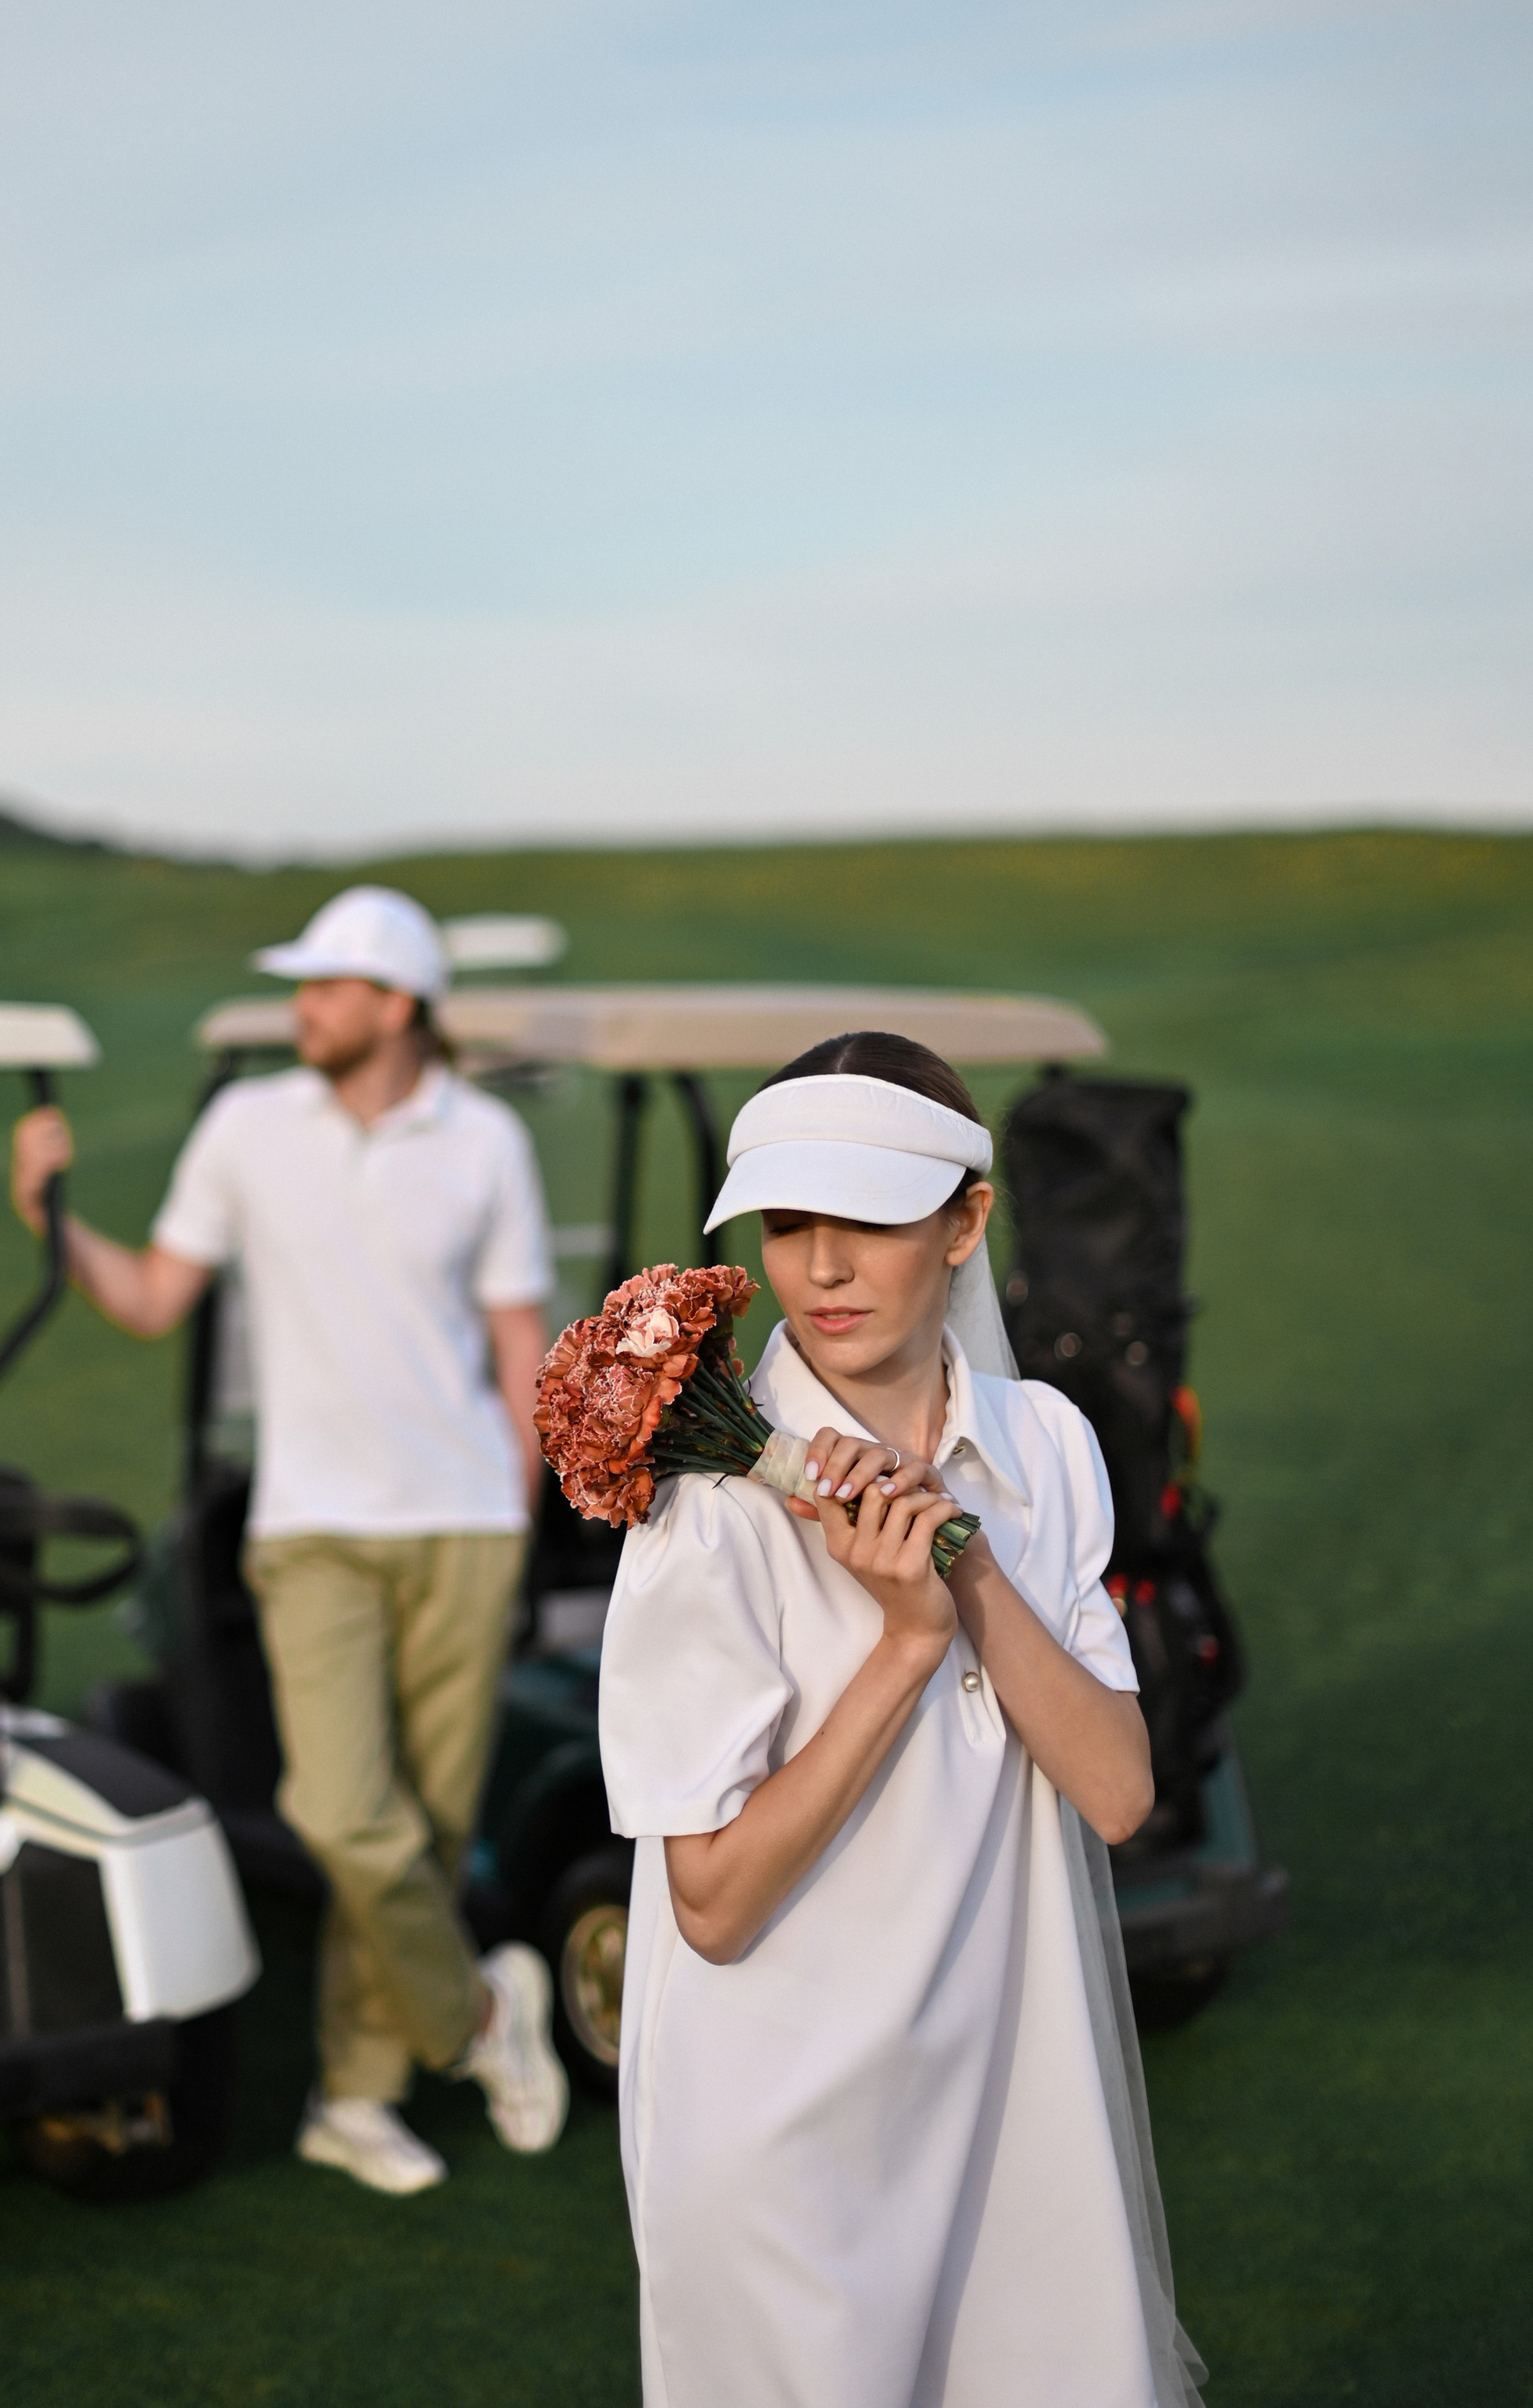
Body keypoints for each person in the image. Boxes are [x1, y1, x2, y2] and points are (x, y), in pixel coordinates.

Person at [597, 1029, 1203, 2408]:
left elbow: (1118, 1793)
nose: (820, 1268)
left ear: (964, 1224)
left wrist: (963, 1567)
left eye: (866, 1219)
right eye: (787, 1223)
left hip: (1013, 2109)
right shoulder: (705, 1513)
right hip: (784, 2154)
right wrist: (908, 1646)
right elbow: (713, 1907)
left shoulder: (1046, 1446)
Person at [9, 883, 569, 2196]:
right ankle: (479, 2014)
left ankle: (353, 2099)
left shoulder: (486, 1140)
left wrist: (524, 1507)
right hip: (311, 1526)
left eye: (326, 986)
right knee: (342, 1813)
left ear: (398, 1005)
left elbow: (518, 1339)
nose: (303, 1007)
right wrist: (50, 1218)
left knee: (428, 1830)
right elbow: (153, 1299)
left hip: (465, 1521)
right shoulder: (246, 1128)